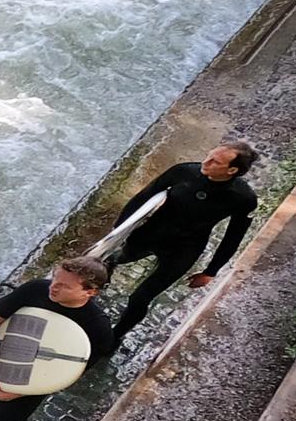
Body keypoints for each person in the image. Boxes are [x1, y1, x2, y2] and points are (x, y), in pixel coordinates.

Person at [106, 141, 260, 342]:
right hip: (150, 234)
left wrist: (210, 272)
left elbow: (233, 237)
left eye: (216, 161)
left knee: (140, 298)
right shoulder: (184, 172)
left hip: (184, 249)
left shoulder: (243, 198)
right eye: (209, 155)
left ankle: (113, 338)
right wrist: (117, 231)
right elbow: (142, 198)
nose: (206, 161)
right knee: (113, 259)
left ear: (232, 170)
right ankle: (95, 287)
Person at [0, 256, 115, 421]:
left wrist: (15, 394)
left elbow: (71, 374)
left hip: (29, 391)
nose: (53, 287)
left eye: (65, 286)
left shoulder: (98, 327)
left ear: (90, 292)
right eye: (54, 279)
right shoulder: (35, 290)